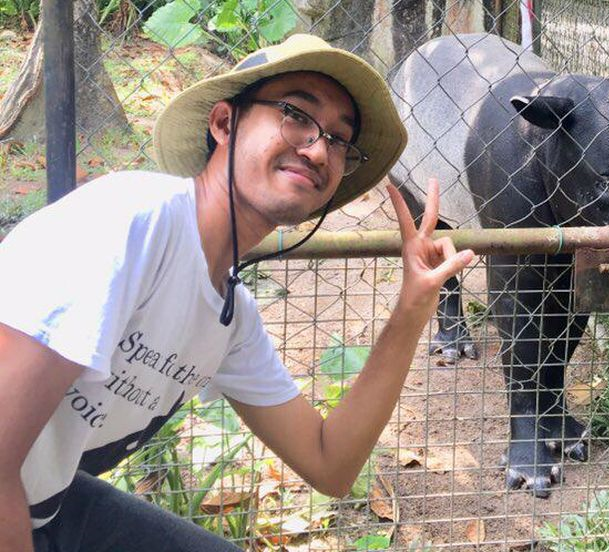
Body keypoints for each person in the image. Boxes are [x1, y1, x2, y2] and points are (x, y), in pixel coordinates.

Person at [0, 33, 475, 551]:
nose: (318, 149)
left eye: (339, 140)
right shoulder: (128, 225)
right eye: (295, 113)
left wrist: (412, 307)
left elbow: (330, 463)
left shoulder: (229, 316)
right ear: (224, 124)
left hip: (44, 505)